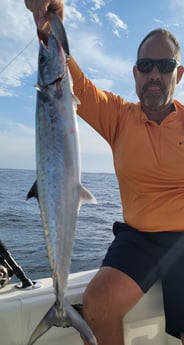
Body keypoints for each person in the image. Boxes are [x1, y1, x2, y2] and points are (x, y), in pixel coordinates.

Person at [25, 1, 184, 344]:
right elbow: (73, 82)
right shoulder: (118, 115)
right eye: (146, 65)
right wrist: (51, 22)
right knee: (97, 304)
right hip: (138, 237)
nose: (154, 73)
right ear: (135, 73)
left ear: (178, 73)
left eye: (165, 65)